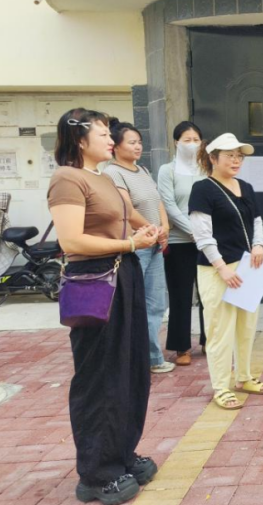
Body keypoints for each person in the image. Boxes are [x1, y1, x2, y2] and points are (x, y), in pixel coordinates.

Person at [48, 108, 160, 504]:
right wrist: (130, 243)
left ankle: (121, 454)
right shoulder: (67, 178)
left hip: (123, 271)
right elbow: (71, 241)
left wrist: (144, 230)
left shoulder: (105, 177)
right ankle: (96, 474)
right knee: (99, 377)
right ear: (79, 140)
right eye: (102, 134)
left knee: (130, 370)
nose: (111, 140)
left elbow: (126, 218)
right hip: (94, 279)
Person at [188, 132, 263, 410]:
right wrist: (221, 267)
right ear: (213, 158)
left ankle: (244, 377)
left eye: (239, 156)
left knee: (246, 326)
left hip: (249, 265)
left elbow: (257, 221)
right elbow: (202, 235)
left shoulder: (245, 186)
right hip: (218, 270)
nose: (236, 161)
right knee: (219, 330)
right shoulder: (203, 189)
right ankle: (221, 387)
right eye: (230, 156)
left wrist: (259, 245)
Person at [105, 119, 175, 375]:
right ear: (115, 146)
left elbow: (157, 202)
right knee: (136, 304)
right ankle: (138, 360)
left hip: (153, 244)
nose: (137, 146)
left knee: (156, 304)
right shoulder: (113, 173)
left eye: (139, 142)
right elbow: (127, 210)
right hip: (136, 245)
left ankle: (152, 357)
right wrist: (153, 231)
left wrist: (164, 227)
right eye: (131, 142)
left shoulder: (142, 170)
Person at [158, 122, 207, 366]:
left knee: (209, 294)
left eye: (196, 139)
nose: (192, 144)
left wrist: (204, 234)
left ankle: (210, 341)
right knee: (180, 295)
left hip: (207, 242)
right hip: (180, 242)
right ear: (176, 142)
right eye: (187, 140)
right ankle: (182, 347)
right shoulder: (167, 170)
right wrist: (193, 230)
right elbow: (168, 205)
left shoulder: (207, 168)